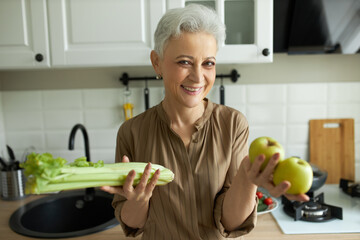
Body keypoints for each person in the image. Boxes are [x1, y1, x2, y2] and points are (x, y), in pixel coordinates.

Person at [101, 4, 309, 239]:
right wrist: (139, 201)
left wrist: (247, 179)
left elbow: (231, 223)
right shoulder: (132, 131)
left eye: (208, 63)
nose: (198, 77)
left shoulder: (233, 124)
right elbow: (132, 224)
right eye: (184, 62)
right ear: (157, 62)